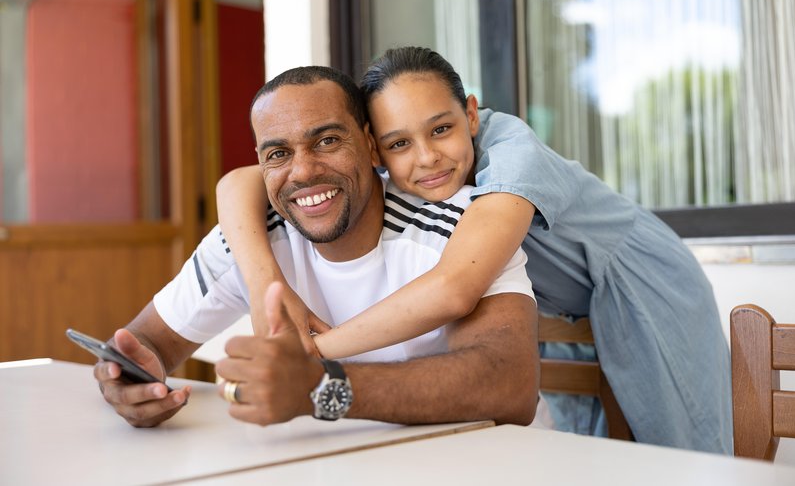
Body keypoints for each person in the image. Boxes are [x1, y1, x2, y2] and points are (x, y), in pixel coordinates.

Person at [217, 47, 733, 453]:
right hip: (567, 303)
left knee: (683, 451)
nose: (426, 157)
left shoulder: (514, 156)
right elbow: (238, 182)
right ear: (375, 146)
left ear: (470, 115)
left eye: (441, 129)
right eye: (398, 143)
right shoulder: (396, 164)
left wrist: (312, 358)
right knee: (589, 451)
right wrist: (269, 281)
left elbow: (453, 286)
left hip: (641, 279)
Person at [93, 65, 539, 428]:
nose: (303, 172)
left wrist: (321, 386)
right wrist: (130, 380)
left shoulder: (463, 226)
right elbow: (150, 340)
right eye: (278, 154)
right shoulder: (250, 239)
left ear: (370, 145)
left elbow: (510, 385)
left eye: (327, 141)